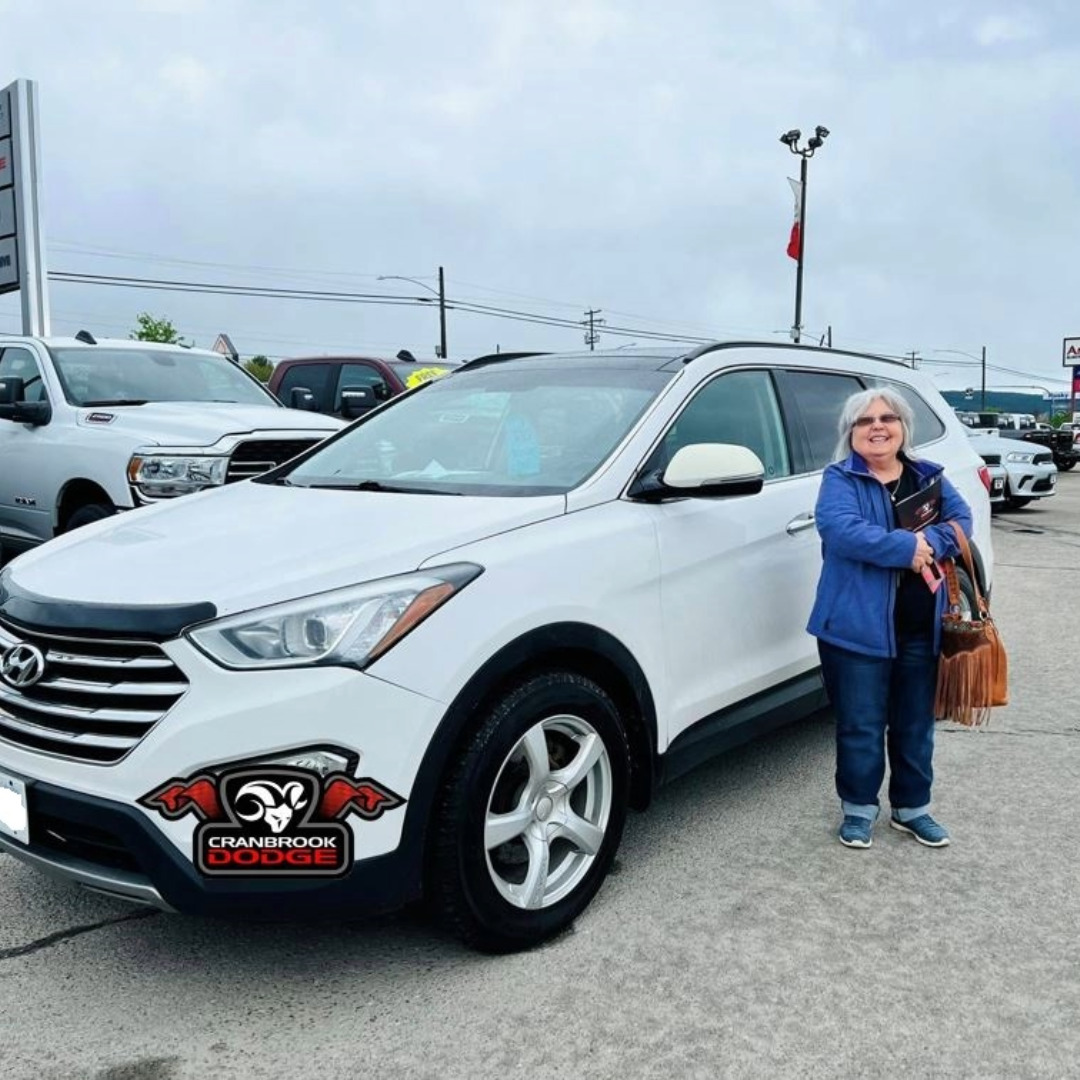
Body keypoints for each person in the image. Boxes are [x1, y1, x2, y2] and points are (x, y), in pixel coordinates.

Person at [807, 388, 973, 849]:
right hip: (854, 629)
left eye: (887, 418)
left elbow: (961, 522)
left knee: (915, 722)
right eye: (865, 421)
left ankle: (912, 808)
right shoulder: (839, 479)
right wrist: (907, 549)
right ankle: (859, 809)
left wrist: (933, 545)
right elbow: (840, 530)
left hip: (922, 626)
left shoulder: (928, 477)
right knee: (860, 724)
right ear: (851, 433)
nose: (877, 427)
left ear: (903, 428)